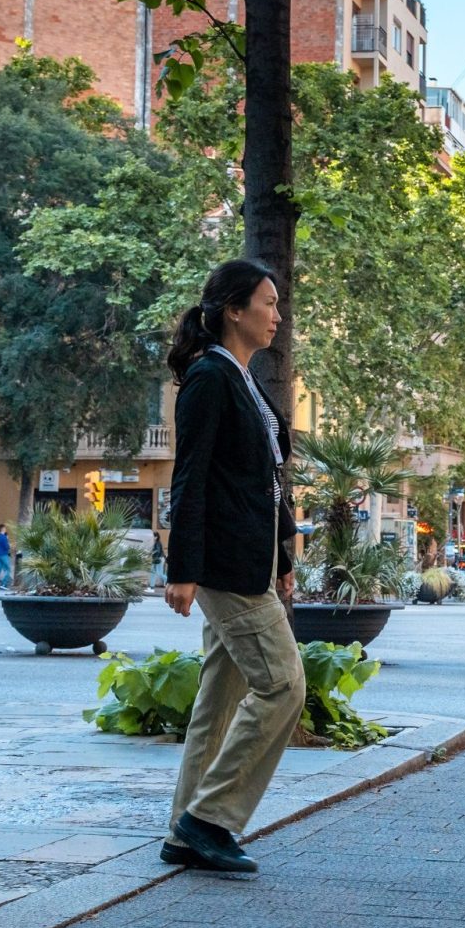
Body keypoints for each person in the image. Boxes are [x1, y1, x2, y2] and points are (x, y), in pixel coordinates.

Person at [160, 259, 302, 874]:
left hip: (252, 558)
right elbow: (188, 478)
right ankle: (210, 819)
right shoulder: (209, 379)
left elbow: (268, 477)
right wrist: (181, 567)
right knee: (283, 685)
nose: (277, 314)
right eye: (267, 303)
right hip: (222, 563)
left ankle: (184, 831)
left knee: (219, 703)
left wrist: (285, 552)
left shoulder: (244, 379)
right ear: (234, 311)